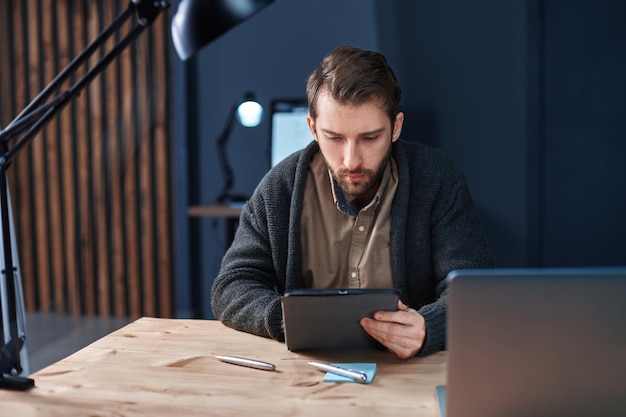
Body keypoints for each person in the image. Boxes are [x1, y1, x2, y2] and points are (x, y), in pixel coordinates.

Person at [211, 45, 493, 359]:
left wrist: (430, 326)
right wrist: (286, 319)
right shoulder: (280, 187)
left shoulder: (437, 178)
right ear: (313, 129)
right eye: (334, 137)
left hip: (410, 372)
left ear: (396, 127)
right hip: (304, 374)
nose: (351, 160)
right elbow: (232, 284)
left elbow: (472, 289)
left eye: (370, 138)